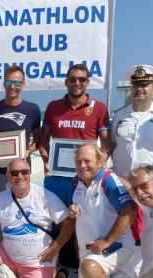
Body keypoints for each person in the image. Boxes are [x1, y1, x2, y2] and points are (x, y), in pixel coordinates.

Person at [68, 143, 138, 278]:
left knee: (90, 266)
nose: (82, 165)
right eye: (78, 161)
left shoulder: (108, 180)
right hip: (90, 251)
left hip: (116, 245)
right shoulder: (77, 181)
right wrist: (73, 210)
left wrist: (106, 241)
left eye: (88, 161)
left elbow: (130, 211)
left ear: (100, 162)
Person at [38, 63, 113, 205]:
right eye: (72, 79)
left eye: (81, 79)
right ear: (66, 82)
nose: (77, 83)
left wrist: (99, 164)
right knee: (55, 221)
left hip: (85, 177)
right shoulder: (53, 107)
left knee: (84, 220)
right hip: (56, 176)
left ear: (88, 82)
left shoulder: (99, 108)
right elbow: (43, 141)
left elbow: (107, 144)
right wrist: (46, 161)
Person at [0, 65, 41, 200]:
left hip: (21, 171)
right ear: (4, 84)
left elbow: (38, 138)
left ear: (23, 85)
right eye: (8, 82)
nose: (12, 86)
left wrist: (28, 151)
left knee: (21, 207)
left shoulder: (32, 109)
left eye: (16, 83)